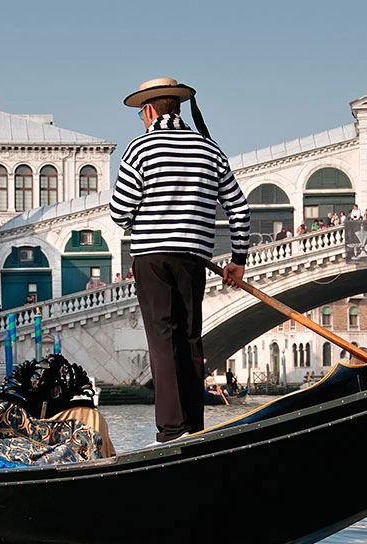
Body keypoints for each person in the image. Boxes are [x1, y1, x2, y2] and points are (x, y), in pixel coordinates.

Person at [109, 77, 251, 443]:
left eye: (141, 112)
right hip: (193, 259)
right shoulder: (209, 149)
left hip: (152, 258)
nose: (141, 119)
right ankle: (195, 426)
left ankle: (171, 431)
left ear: (151, 110)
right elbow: (238, 206)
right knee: (190, 339)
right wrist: (238, 258)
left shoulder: (140, 148)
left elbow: (120, 212)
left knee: (162, 339)